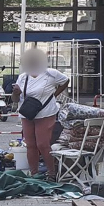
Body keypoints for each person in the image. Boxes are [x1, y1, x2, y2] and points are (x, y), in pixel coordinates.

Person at [10, 47, 69, 181]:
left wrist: (54, 95)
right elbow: (14, 100)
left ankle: (51, 173)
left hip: (46, 112)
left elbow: (65, 81)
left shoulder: (51, 74)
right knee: (30, 144)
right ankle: (34, 173)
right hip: (27, 113)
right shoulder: (22, 77)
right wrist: (16, 93)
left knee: (43, 144)